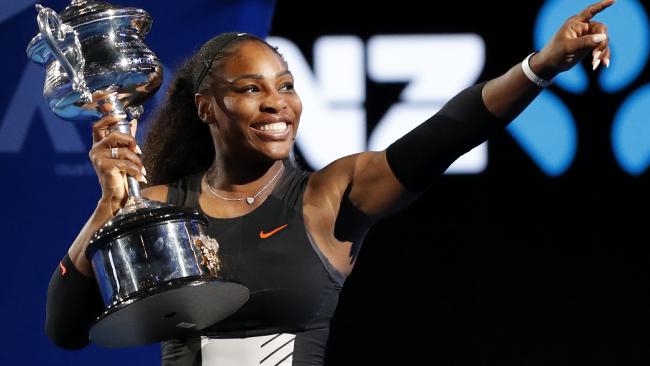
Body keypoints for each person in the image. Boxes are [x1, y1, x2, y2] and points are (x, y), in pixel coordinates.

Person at [44, 1, 614, 364]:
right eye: (250, 89)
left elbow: (445, 135)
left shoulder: (330, 196)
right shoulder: (164, 207)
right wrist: (108, 212)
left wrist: (539, 66)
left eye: (286, 85)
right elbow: (66, 331)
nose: (277, 104)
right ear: (206, 108)